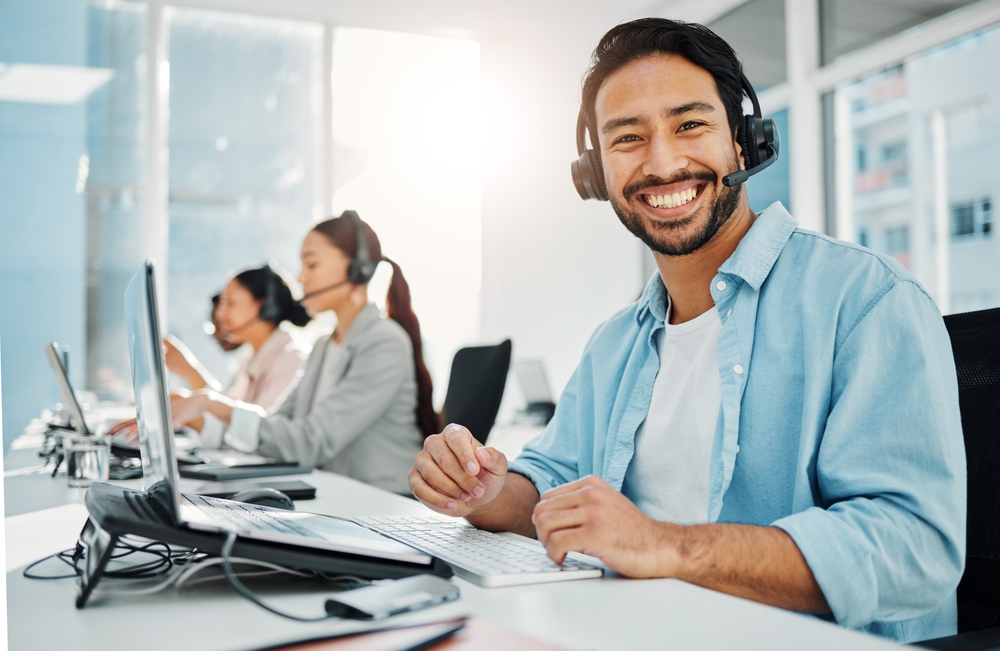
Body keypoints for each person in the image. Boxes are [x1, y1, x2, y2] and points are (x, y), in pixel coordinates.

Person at [408, 18, 965, 644]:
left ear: (745, 142)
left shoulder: (866, 300)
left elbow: (916, 550)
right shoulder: (616, 342)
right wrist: (480, 488)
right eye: (627, 138)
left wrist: (665, 548)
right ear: (594, 175)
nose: (664, 163)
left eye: (690, 124)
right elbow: (548, 483)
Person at [172, 211, 438, 494]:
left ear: (356, 269)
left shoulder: (384, 343)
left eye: (311, 264)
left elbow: (312, 442)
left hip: (381, 502)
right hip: (337, 493)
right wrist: (200, 417)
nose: (301, 277)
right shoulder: (325, 344)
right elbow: (275, 427)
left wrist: (212, 404)